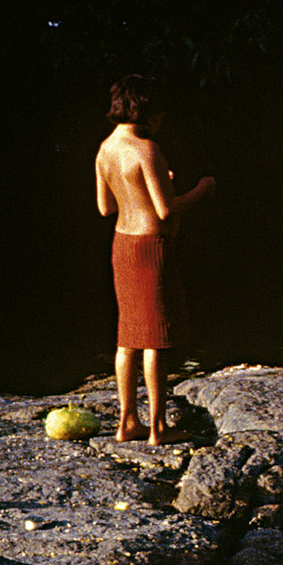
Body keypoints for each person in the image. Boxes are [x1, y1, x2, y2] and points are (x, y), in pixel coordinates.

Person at [94, 74, 215, 444]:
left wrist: (150, 186)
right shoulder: (147, 148)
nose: (162, 121)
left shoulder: (106, 148)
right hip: (150, 248)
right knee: (154, 339)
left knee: (127, 337)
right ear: (145, 112)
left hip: (122, 244)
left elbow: (105, 207)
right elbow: (165, 209)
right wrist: (201, 189)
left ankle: (127, 421)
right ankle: (158, 428)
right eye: (159, 114)